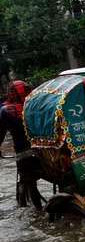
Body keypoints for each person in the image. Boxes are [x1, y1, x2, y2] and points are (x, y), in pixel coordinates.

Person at [0, 80, 43, 209]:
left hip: (24, 153)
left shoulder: (6, 110)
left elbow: (0, 133)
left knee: (31, 184)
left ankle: (38, 212)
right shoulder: (37, 106)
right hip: (45, 150)